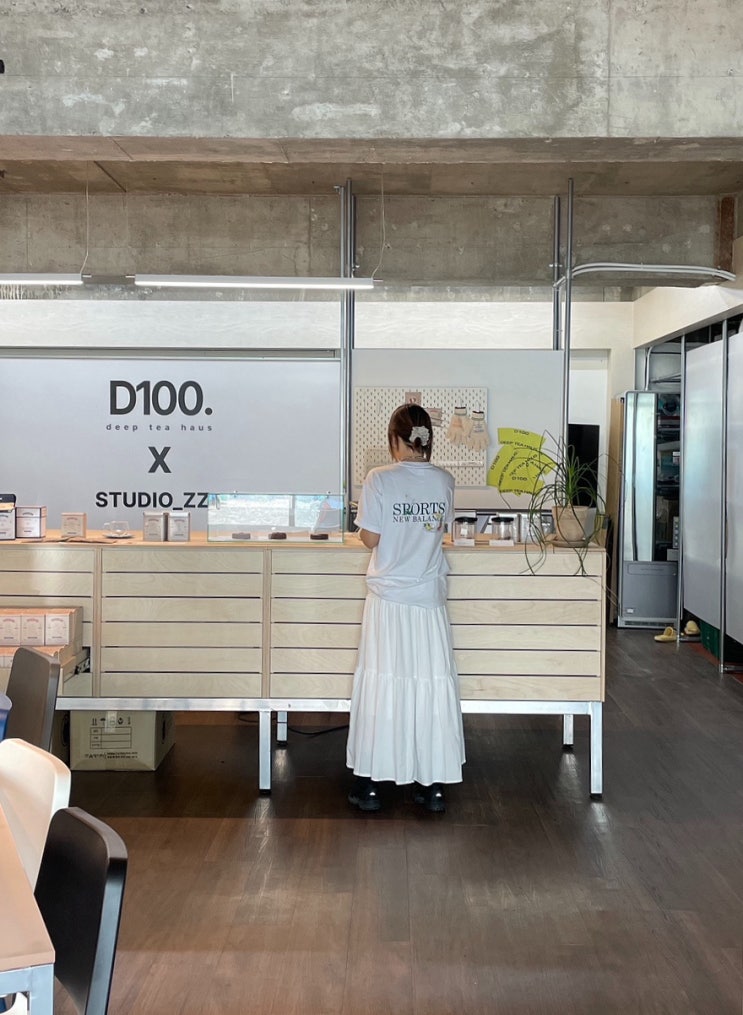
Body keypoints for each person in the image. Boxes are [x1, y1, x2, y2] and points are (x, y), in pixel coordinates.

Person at [346, 403, 466, 813]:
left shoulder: (379, 479)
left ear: (395, 440)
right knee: (428, 684)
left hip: (389, 602)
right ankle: (432, 786)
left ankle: (371, 784)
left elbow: (370, 538)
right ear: (427, 439)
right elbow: (439, 532)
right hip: (428, 603)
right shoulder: (445, 481)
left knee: (384, 683)